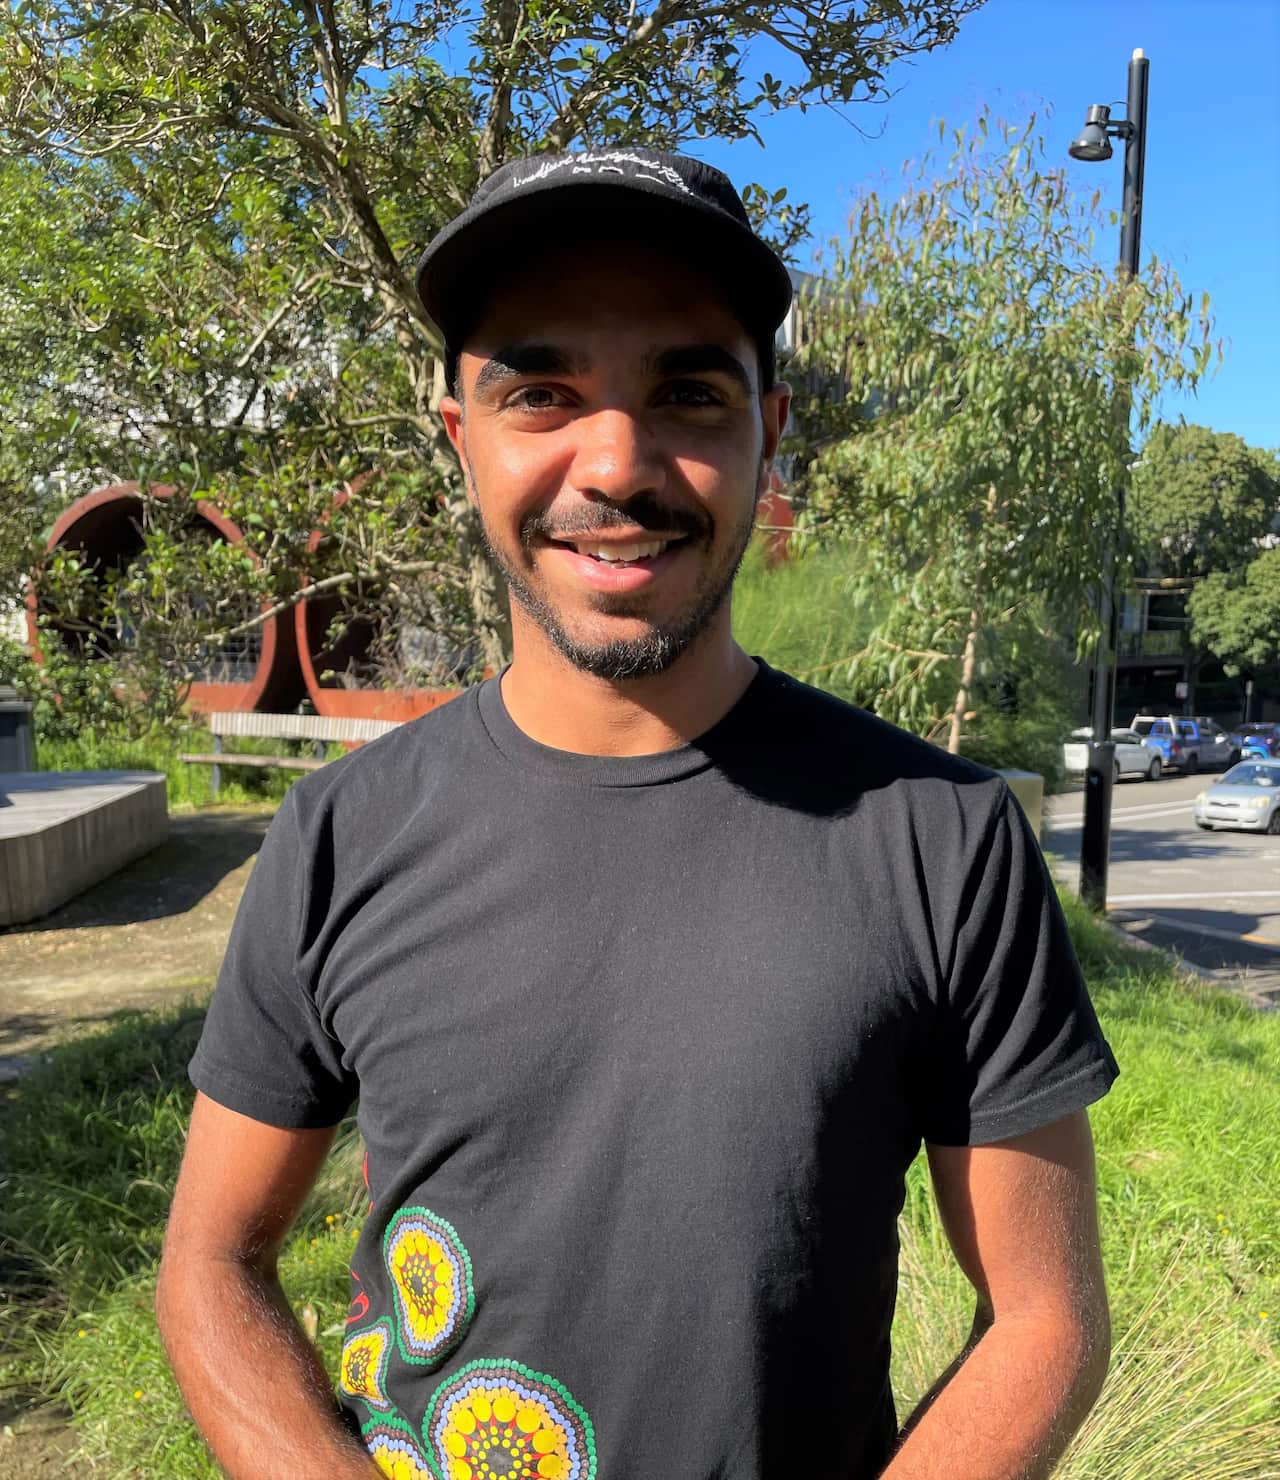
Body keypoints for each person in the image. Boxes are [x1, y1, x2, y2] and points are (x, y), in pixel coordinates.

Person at [157, 148, 1119, 1480]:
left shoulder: (942, 839)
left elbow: (1046, 1314)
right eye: (540, 390)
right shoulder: (337, 837)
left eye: (687, 390)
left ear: (768, 430)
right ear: (461, 438)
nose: (614, 461)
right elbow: (211, 1260)